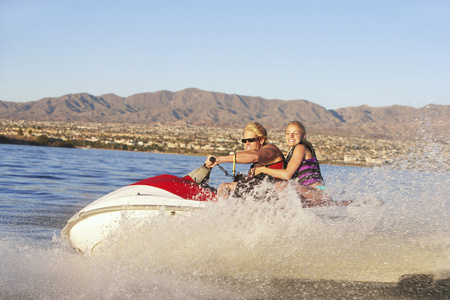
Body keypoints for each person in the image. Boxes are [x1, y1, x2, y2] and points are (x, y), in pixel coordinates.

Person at [253, 121, 329, 206]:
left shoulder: (300, 147)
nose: (291, 136)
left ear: (303, 136)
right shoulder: (294, 151)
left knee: (284, 185)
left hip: (317, 192)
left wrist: (262, 169)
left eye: (295, 133)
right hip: (309, 192)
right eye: (288, 133)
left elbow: (287, 174)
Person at [205, 122, 284, 198]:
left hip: (276, 195)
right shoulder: (256, 162)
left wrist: (219, 159)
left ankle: (221, 209)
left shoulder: (270, 150)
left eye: (251, 140)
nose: (247, 144)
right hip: (264, 195)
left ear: (261, 140)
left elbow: (256, 156)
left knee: (225, 186)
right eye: (244, 141)